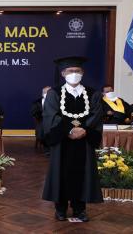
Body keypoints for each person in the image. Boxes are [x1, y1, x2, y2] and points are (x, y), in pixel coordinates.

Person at [42, 56, 103, 222]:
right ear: (63, 73)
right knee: (60, 173)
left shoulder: (93, 94)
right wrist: (69, 130)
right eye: (70, 71)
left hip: (84, 140)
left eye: (77, 71)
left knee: (83, 175)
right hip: (63, 141)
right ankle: (60, 209)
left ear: (82, 72)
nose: (74, 74)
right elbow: (50, 115)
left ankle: (80, 209)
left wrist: (84, 130)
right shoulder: (54, 94)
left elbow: (96, 114)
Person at [31, 86, 51, 155]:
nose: (47, 94)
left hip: (53, 121)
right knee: (42, 130)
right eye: (46, 92)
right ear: (43, 93)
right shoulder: (37, 102)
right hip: (42, 120)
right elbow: (34, 112)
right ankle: (47, 148)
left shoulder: (57, 101)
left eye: (49, 92)